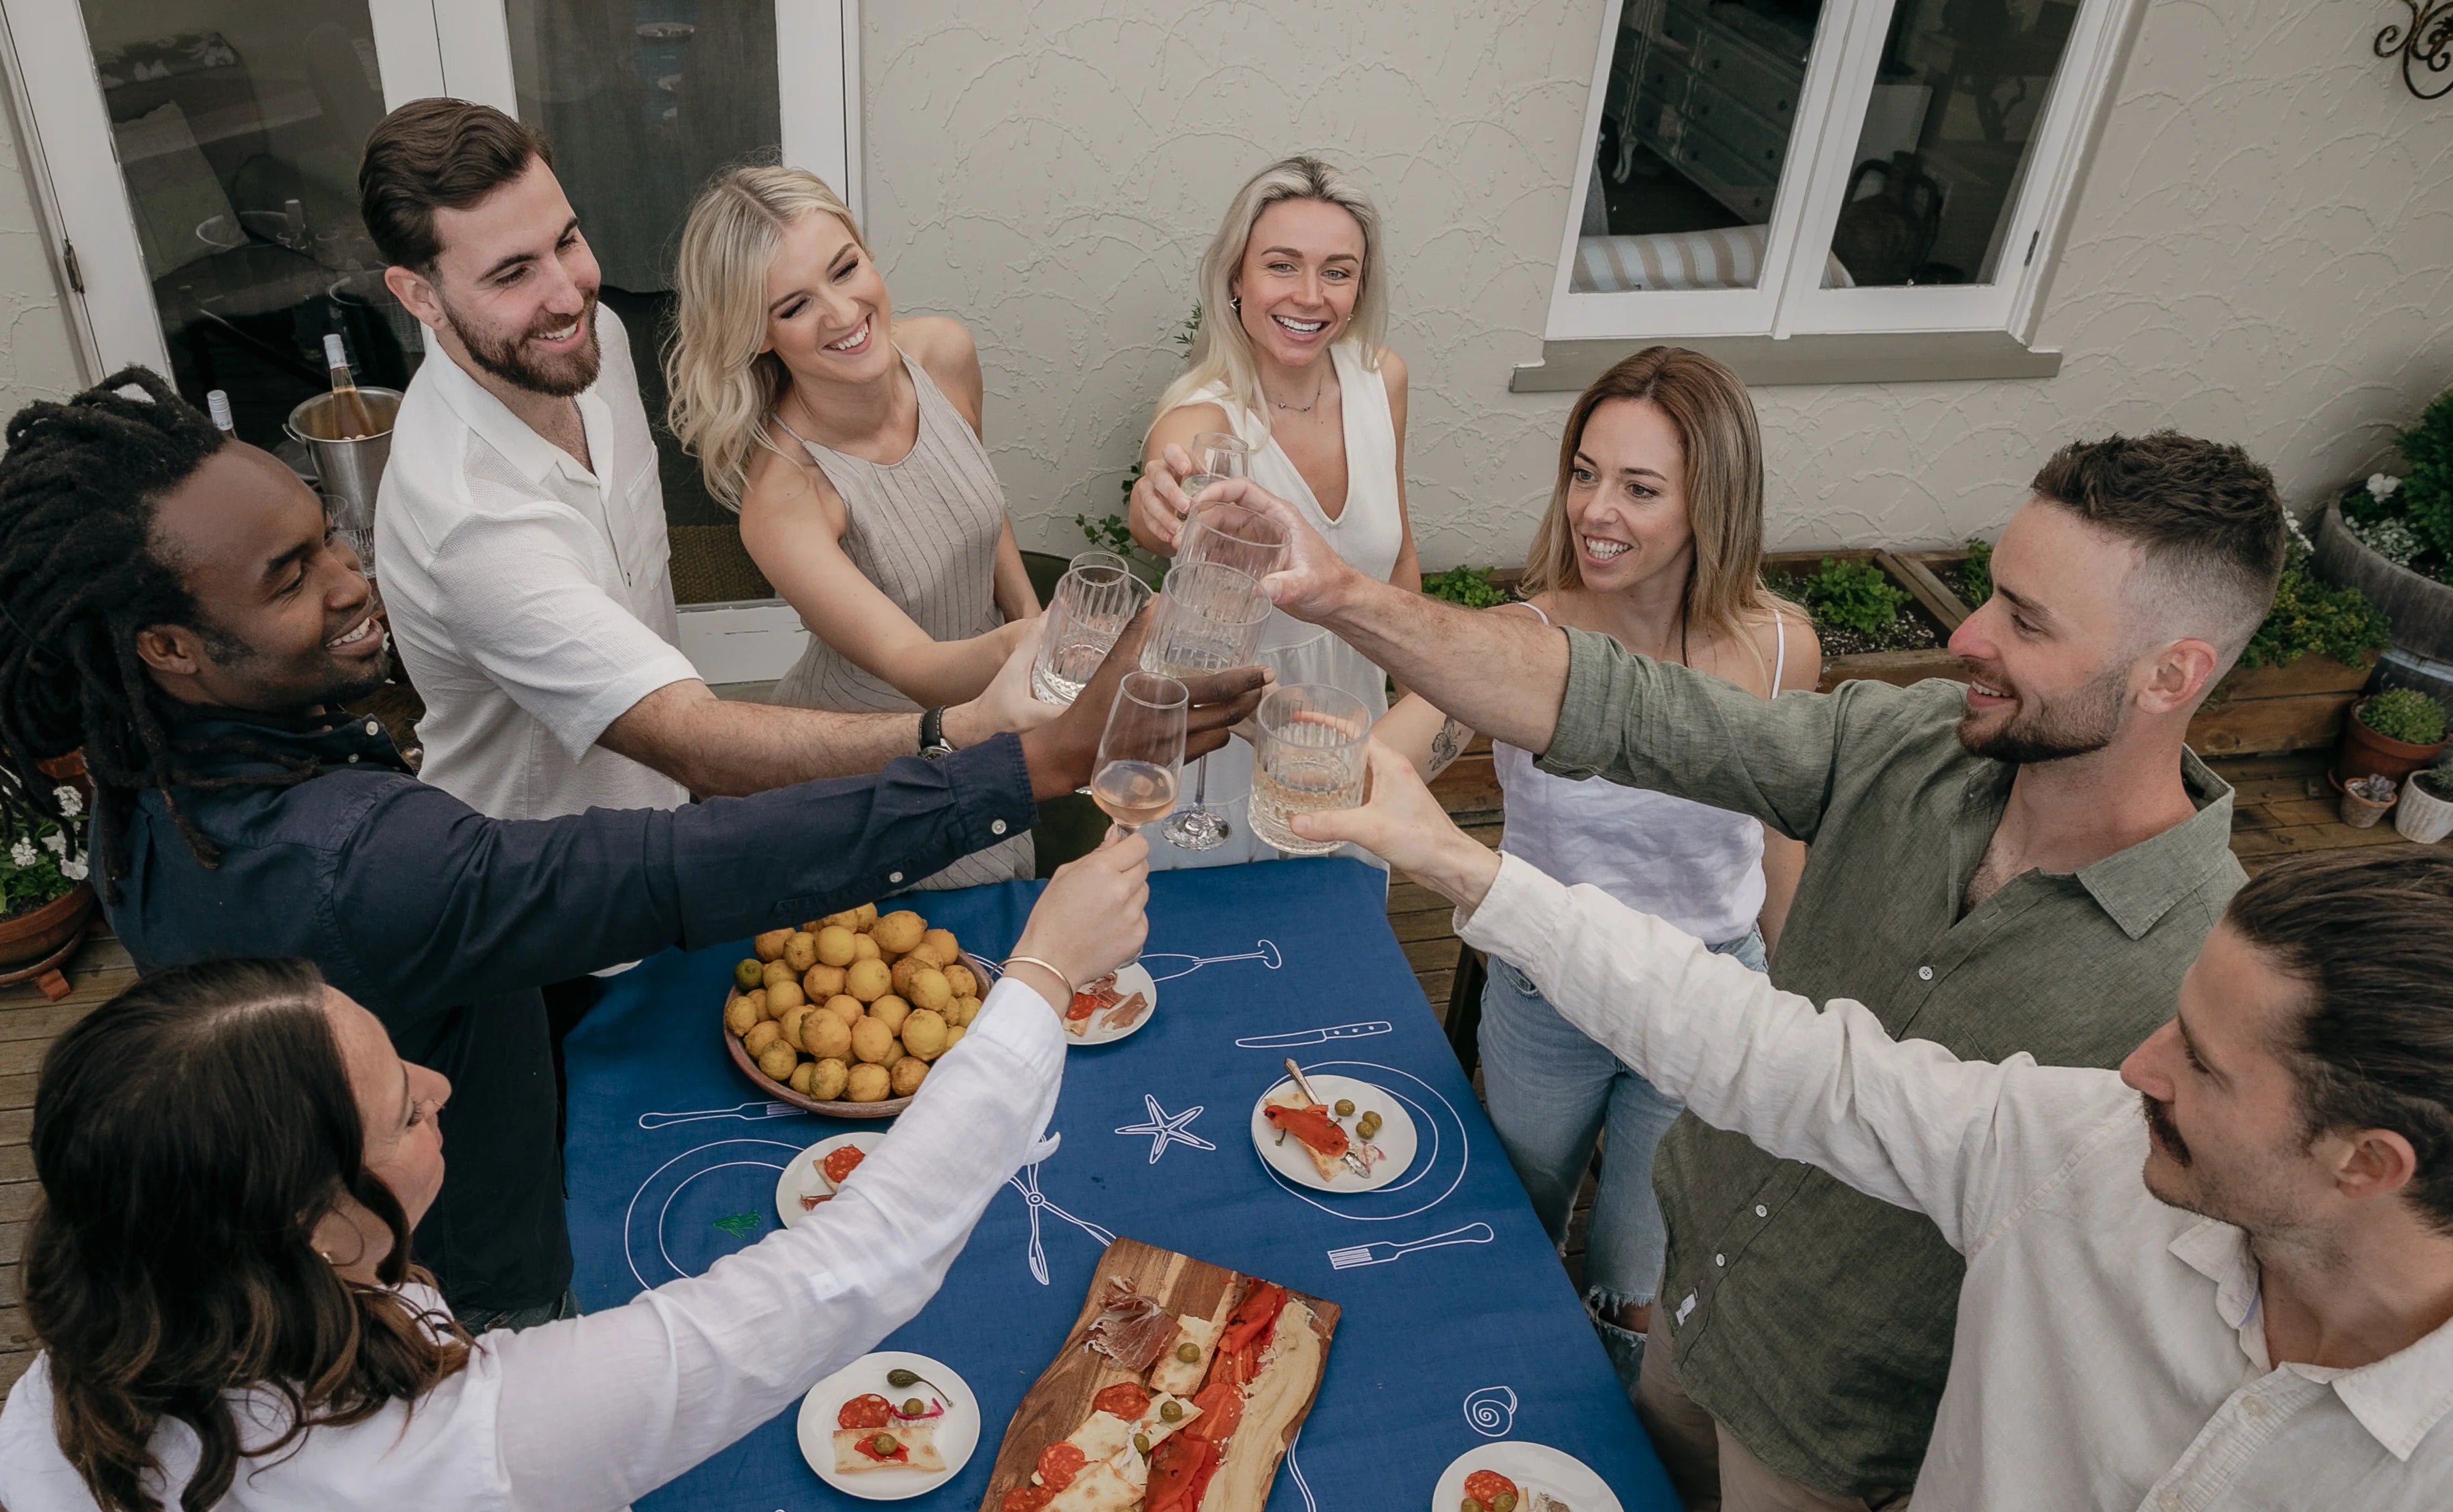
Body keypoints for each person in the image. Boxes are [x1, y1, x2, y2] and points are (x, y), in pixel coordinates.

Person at [1214, 430, 2275, 1512]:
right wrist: (1338, 595)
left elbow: (2163, 1349)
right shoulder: (1908, 748)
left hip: (1849, 1456)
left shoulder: (2217, 990)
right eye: (1986, 589)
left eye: (2023, 619)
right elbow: (1614, 703)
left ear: (2171, 674)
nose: (1966, 637)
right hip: (1686, 1314)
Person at [0, 371, 1257, 1331]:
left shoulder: (141, 759)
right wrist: (1028, 761)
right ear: (167, 648)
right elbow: (673, 871)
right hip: (457, 1264)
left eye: (326, 536)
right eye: (288, 579)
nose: (350, 578)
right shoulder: (354, 864)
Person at [1307, 754, 2453, 1512]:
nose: (2139, 1066)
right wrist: (1460, 863)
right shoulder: (2085, 1155)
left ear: (2367, 1164)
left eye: (2200, 1063)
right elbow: (1779, 1056)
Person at [0, 834, 1148, 1512]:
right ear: (313, 1230)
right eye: (401, 1108)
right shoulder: (472, 1454)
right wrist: (1040, 976)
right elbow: (853, 1262)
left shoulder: (57, 1390)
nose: (436, 1087)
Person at [361, 103, 1054, 1069]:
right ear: (420, 295)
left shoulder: (580, 342)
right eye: (513, 273)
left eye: (565, 239)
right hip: (538, 903)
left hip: (672, 841)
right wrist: (956, 737)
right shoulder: (469, 520)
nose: (566, 291)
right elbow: (691, 731)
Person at [1374, 347, 1815, 1385]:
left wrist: (1795, 1006)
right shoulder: (1520, 640)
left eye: (1639, 487)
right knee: (1514, 1217)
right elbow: (1388, 754)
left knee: (1638, 1263)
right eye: (1584, 472)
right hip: (1547, 991)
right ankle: (1486, 1394)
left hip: (1709, 993)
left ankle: (1605, 1433)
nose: (1595, 510)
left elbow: (1783, 828)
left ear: (1714, 501)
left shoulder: (1783, 646)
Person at [668, 165, 1041, 888]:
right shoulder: (785, 497)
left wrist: (1030, 614)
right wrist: (1038, 646)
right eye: (796, 305)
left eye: (846, 269)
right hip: (875, 761)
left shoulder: (942, 354)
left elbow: (977, 509)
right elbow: (916, 665)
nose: (842, 314)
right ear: (755, 333)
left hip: (996, 712)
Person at [1121, 154, 1422, 866]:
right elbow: (1165, 527)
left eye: (1337, 271)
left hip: (1352, 730)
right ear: (1236, 278)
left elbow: (1400, 554)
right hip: (1227, 744)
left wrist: (1422, 702)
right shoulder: (1199, 424)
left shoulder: (1383, 380)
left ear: (1359, 286)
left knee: (1339, 938)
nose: (1310, 295)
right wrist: (1150, 512)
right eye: (1281, 266)